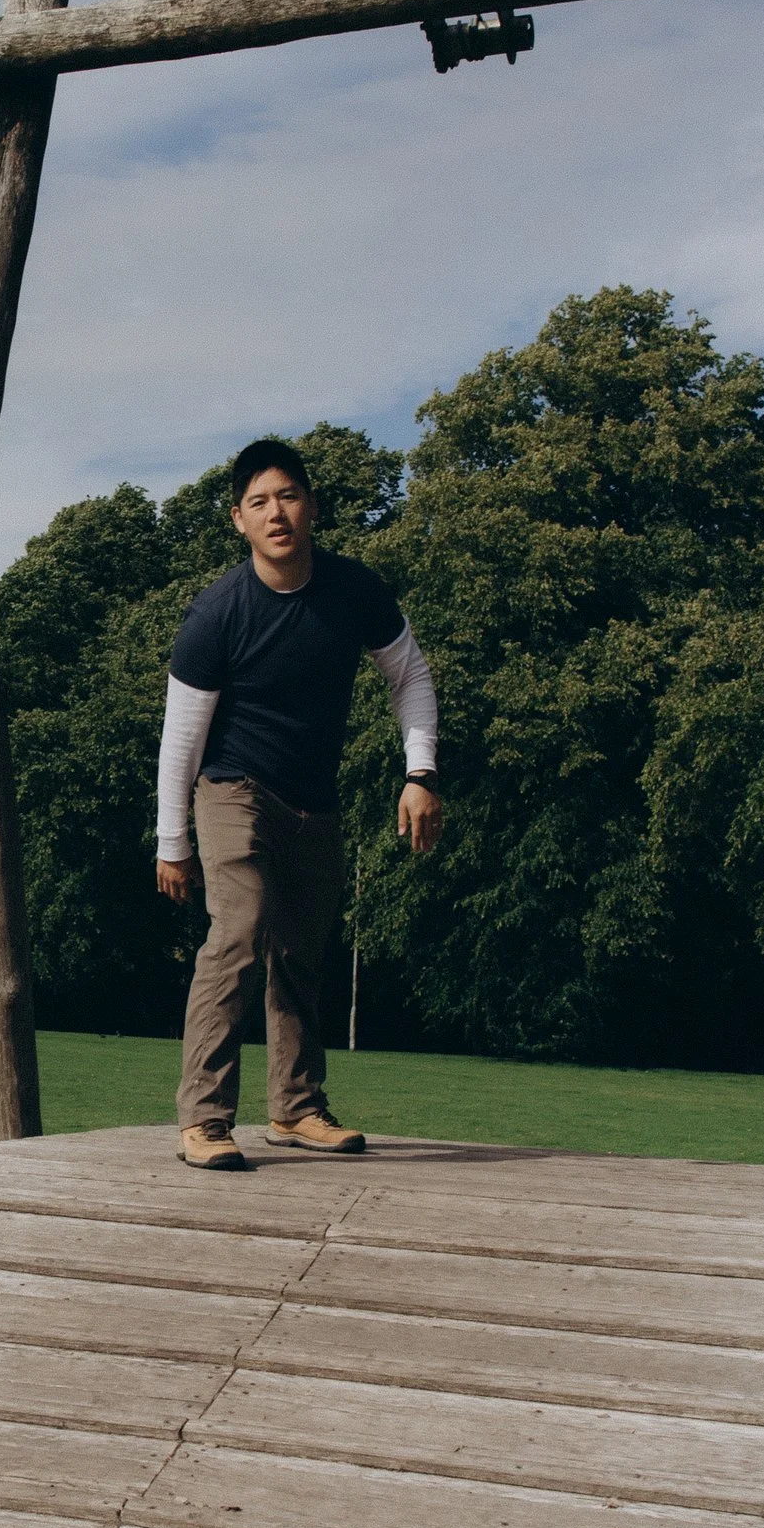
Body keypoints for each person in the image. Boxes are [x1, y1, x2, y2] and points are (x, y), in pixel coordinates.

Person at [156, 437, 440, 1170]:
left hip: (315, 798)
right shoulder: (217, 614)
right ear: (238, 520)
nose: (275, 513)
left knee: (301, 956)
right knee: (241, 931)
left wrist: (421, 773)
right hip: (231, 788)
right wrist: (171, 843)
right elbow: (180, 739)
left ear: (310, 505)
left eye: (287, 496)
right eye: (258, 503)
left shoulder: (353, 591)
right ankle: (205, 1118)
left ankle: (296, 1109)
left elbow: (409, 674)